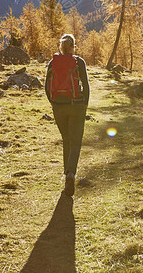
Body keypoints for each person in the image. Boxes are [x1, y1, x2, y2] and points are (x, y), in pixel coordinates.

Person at [45, 33, 90, 197]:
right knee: (76, 143)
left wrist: (53, 103)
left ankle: (66, 178)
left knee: (66, 140)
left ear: (61, 47)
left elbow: (46, 86)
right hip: (76, 106)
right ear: (73, 47)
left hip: (59, 107)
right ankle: (71, 174)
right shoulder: (79, 62)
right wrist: (84, 104)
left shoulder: (53, 62)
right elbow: (85, 85)